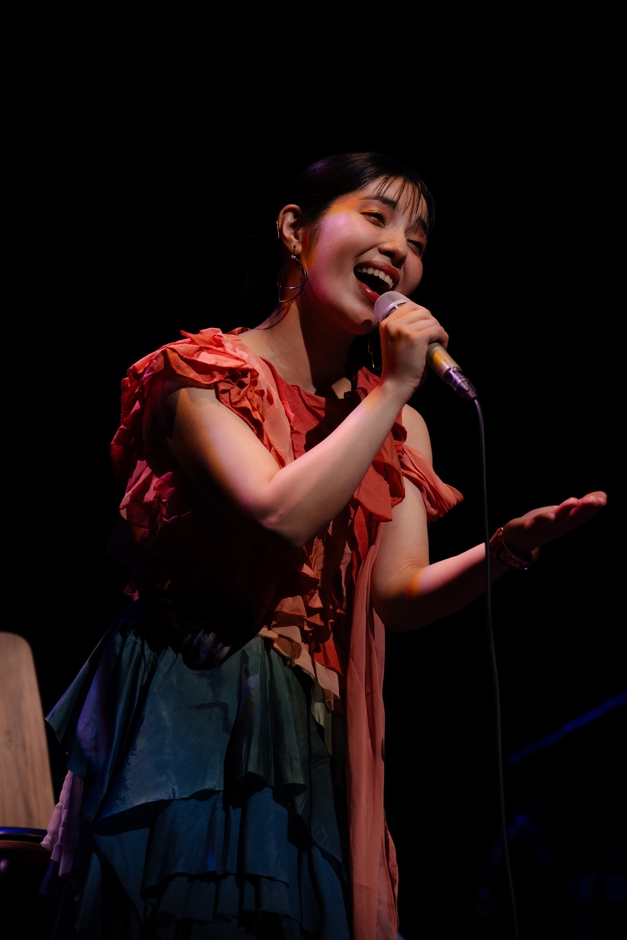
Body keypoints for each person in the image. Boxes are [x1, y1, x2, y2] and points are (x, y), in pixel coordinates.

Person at [41, 153, 606, 940]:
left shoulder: (395, 424)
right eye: (375, 217)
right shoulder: (199, 376)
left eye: (417, 240)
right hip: (189, 701)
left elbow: (396, 598)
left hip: (307, 727)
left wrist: (502, 551)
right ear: (293, 230)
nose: (399, 249)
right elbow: (277, 515)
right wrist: (395, 388)